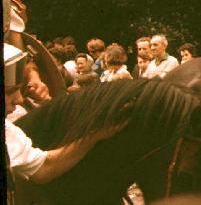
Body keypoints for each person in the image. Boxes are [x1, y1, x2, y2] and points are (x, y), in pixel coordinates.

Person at [4, 42, 121, 197]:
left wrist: (95, 134)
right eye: (11, 91)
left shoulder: (7, 131)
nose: (19, 99)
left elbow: (44, 168)